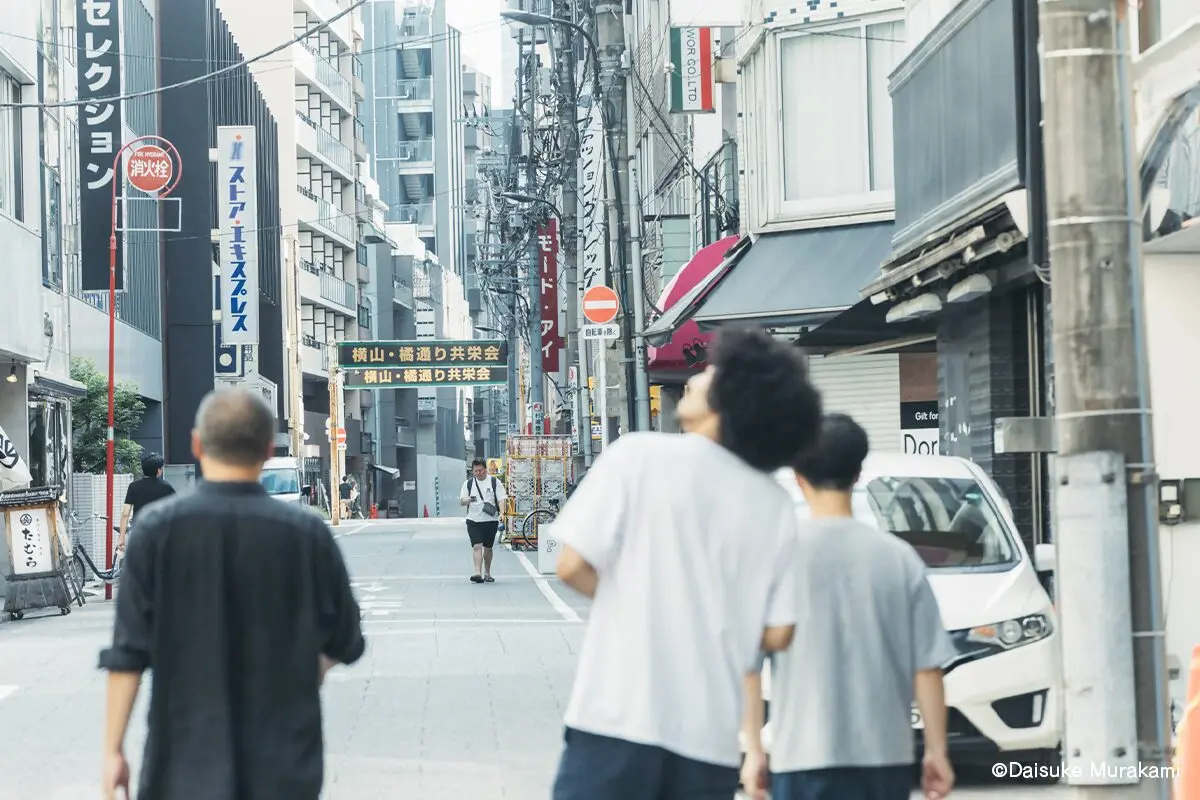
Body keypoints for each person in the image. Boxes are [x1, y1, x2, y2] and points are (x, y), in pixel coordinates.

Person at [549, 326, 823, 799]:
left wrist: (645, 604)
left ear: (730, 398)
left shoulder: (637, 456)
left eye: (711, 373)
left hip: (615, 719)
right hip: (709, 741)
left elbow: (572, 565)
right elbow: (780, 632)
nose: (697, 378)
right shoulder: (772, 503)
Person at [98, 388, 365, 800]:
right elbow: (346, 640)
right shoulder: (307, 533)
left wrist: (113, 750)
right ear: (266, 448)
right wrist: (299, 671)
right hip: (285, 761)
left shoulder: (155, 532)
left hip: (182, 762)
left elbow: (128, 653)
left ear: (197, 444)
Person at [740, 413, 955, 800]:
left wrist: (754, 751)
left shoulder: (775, 558)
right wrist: (936, 751)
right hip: (884, 757)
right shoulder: (899, 559)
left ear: (798, 476)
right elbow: (927, 667)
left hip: (801, 756)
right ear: (858, 474)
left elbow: (749, 670)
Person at [458, 458, 507, 583]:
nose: (478, 473)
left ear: (485, 469)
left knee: (488, 548)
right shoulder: (468, 484)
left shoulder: (494, 482)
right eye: (475, 471)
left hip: (490, 520)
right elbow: (462, 501)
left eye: (480, 470)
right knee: (477, 546)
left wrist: (502, 513)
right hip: (473, 520)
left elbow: (501, 498)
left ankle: (487, 572)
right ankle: (477, 573)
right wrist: (468, 499)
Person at [116, 452, 175, 552]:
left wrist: (121, 538)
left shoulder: (133, 486)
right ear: (158, 470)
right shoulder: (166, 487)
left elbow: (125, 514)